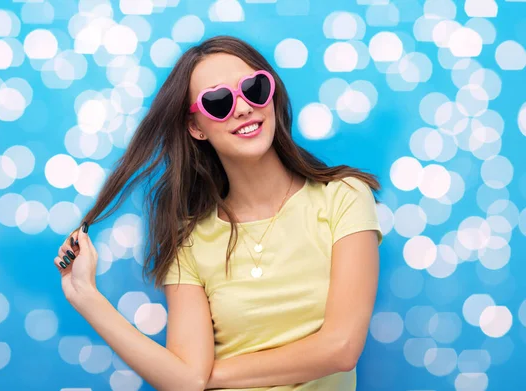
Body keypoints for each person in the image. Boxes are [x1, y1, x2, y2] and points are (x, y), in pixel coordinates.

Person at [53, 35, 383, 391]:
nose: (243, 108)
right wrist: (84, 295)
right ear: (196, 127)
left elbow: (342, 349)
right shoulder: (189, 241)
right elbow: (182, 380)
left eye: (255, 89)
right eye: (218, 101)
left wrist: (202, 376)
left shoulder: (344, 197)